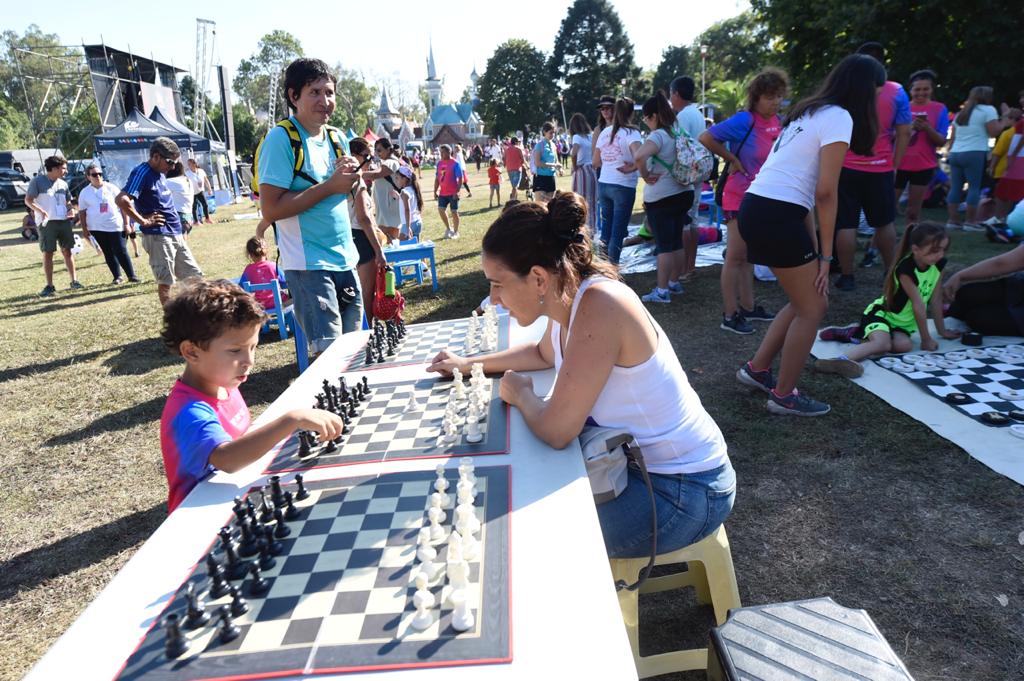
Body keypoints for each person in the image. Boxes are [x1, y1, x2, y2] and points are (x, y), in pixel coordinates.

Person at [427, 193, 734, 558]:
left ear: (538, 278)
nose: (493, 299)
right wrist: (468, 363)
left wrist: (522, 394)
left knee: (522, 540)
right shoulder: (571, 294)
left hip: (685, 491)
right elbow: (542, 353)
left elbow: (558, 430)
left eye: (497, 284)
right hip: (640, 469)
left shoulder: (600, 306)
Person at [735, 54, 883, 416]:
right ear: (865, 90)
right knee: (814, 307)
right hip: (776, 212)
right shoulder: (840, 117)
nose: (877, 102)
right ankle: (784, 395)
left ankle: (757, 370)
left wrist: (817, 251)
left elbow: (802, 190)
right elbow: (825, 192)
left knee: (803, 300)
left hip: (758, 206)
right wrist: (827, 257)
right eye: (877, 93)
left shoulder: (808, 112)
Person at [159, 279, 343, 513]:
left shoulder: (223, 384)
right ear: (191, 352)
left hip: (233, 497)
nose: (249, 361)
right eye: (235, 351)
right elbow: (227, 459)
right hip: (200, 515)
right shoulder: (190, 412)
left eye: (253, 347)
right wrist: (291, 420)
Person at [257, 57, 364, 354]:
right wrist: (330, 186)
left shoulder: (336, 137)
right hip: (309, 267)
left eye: (329, 93)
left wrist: (352, 179)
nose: (325, 101)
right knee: (330, 357)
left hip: (346, 259)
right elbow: (271, 210)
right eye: (315, 92)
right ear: (294, 96)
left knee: (353, 352)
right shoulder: (281, 139)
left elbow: (343, 193)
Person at [700, 68, 788, 333]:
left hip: (762, 196)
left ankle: (748, 307)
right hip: (738, 197)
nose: (775, 102)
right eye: (770, 97)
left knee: (749, 256)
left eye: (779, 96)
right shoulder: (744, 120)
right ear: (756, 97)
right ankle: (730, 315)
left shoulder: (778, 121)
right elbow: (706, 137)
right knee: (735, 257)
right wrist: (731, 159)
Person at [815, 223, 959, 377]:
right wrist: (926, 339)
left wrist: (942, 331)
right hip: (882, 315)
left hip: (901, 325)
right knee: (882, 344)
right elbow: (918, 305)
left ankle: (856, 333)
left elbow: (936, 299)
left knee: (904, 346)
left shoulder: (938, 264)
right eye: (935, 250)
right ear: (915, 249)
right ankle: (841, 360)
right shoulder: (906, 269)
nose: (940, 255)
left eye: (943, 249)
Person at [832, 43, 911, 292]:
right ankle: (890, 272)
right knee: (884, 222)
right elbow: (905, 132)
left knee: (846, 223)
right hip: (880, 166)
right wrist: (895, 165)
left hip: (845, 166)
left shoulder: (843, 89)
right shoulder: (896, 91)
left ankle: (847, 276)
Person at [117, 137, 204, 306]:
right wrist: (143, 221)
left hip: (175, 233)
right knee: (166, 283)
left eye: (175, 163)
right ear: (156, 156)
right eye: (170, 162)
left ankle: (196, 317)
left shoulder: (161, 173)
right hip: (159, 236)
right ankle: (173, 320)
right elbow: (121, 200)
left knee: (195, 278)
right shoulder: (142, 172)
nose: (172, 167)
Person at [633, 92, 692, 303]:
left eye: (646, 118)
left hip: (662, 197)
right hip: (683, 192)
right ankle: (674, 282)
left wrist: (644, 174)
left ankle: (661, 290)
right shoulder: (677, 132)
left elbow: (639, 156)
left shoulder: (658, 135)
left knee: (664, 246)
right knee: (676, 242)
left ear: (654, 116)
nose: (646, 122)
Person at [947, 86, 1014, 230]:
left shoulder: (962, 113)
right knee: (974, 187)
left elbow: (953, 136)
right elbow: (994, 132)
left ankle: (953, 220)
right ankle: (970, 222)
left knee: (956, 187)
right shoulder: (988, 110)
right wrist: (1004, 120)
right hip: (974, 152)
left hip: (956, 152)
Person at [893, 70, 949, 230]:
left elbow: (941, 141)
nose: (921, 93)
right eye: (917, 89)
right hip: (898, 164)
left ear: (932, 90)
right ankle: (880, 241)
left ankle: (910, 240)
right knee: (888, 208)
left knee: (913, 212)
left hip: (923, 165)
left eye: (926, 89)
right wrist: (909, 128)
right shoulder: (901, 107)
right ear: (910, 90)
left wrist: (927, 128)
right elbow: (889, 135)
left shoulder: (939, 108)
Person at [593, 97, 641, 265]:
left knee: (606, 230)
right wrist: (633, 167)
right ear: (631, 113)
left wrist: (610, 162)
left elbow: (595, 161)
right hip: (623, 184)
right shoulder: (632, 133)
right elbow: (640, 156)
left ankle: (602, 267)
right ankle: (612, 269)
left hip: (604, 183)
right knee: (617, 231)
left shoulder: (604, 132)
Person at [26, 154, 81, 296]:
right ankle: (49, 286)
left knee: (67, 251)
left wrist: (71, 210)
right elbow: (28, 200)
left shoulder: (63, 183)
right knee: (48, 253)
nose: (66, 171)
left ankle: (74, 281)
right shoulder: (37, 182)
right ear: (55, 168)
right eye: (64, 168)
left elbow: (68, 201)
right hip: (47, 223)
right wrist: (41, 211)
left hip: (63, 221)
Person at [346, 137, 389, 318]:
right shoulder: (358, 182)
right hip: (362, 238)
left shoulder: (340, 180)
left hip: (349, 237)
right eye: (367, 156)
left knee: (356, 293)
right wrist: (378, 250)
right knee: (366, 293)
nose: (370, 162)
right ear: (353, 155)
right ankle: (368, 329)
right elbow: (364, 218)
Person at [942, 241, 1024, 336]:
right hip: (1018, 289)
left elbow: (1001, 264)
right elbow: (1001, 263)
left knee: (977, 318)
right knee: (967, 294)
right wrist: (960, 276)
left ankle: (962, 315)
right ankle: (953, 315)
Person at [669, 76, 707, 280]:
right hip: (698, 171)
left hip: (687, 173)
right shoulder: (697, 113)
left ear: (676, 93)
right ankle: (690, 266)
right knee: (693, 220)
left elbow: (679, 147)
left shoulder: (683, 116)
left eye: (671, 94)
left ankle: (684, 268)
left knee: (685, 221)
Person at [77, 161, 139, 284]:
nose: (98, 176)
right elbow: (82, 212)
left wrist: (127, 224)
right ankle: (117, 276)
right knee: (108, 252)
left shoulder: (111, 188)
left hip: (115, 225)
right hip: (96, 227)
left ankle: (132, 276)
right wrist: (84, 229)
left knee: (120, 250)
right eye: (94, 174)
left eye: (100, 174)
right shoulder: (84, 192)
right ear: (88, 177)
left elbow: (124, 207)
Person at [988, 108, 1024, 226]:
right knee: (1011, 193)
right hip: (1018, 164)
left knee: (1003, 193)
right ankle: (1006, 217)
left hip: (1010, 165)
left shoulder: (1007, 133)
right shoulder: (1015, 131)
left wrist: (992, 166)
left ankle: (1000, 217)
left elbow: (997, 152)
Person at [363, 138, 402, 243]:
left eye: (379, 150)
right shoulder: (388, 162)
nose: (377, 153)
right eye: (376, 150)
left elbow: (377, 174)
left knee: (386, 238)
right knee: (391, 241)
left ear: (388, 149)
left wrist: (357, 174)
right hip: (387, 207)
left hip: (389, 208)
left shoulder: (391, 162)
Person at [239, 237, 289, 309]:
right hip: (280, 303)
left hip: (259, 307)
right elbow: (286, 283)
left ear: (250, 255)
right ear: (265, 251)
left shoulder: (248, 270)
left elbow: (241, 288)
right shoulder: (273, 266)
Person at [568, 112, 597, 232]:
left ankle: (583, 229)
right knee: (592, 201)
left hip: (582, 171)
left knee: (580, 201)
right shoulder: (591, 136)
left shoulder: (577, 137)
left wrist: (574, 166)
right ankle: (592, 228)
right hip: (592, 169)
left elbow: (573, 153)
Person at [434, 144, 462, 238]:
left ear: (449, 152)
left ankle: (456, 232)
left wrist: (457, 192)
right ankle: (449, 229)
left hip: (453, 193)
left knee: (454, 212)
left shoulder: (455, 163)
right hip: (442, 193)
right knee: (441, 209)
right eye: (440, 152)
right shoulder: (439, 164)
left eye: (443, 152)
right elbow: (437, 179)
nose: (441, 154)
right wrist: (435, 191)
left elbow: (460, 179)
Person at [532, 122, 560, 204]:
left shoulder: (553, 145)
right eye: (550, 133)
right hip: (540, 177)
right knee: (540, 206)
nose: (552, 135)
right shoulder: (539, 145)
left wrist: (559, 168)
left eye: (553, 133)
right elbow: (537, 163)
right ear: (544, 132)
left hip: (551, 177)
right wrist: (554, 165)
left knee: (550, 205)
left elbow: (556, 160)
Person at [165, 161, 194, 235]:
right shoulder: (187, 180)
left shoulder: (170, 181)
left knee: (177, 241)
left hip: (179, 215)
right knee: (183, 240)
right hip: (188, 215)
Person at [396, 166, 423, 241]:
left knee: (404, 247)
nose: (396, 181)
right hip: (417, 221)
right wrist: (398, 197)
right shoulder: (413, 189)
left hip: (408, 224)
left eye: (397, 178)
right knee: (415, 246)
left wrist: (408, 227)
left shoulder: (404, 192)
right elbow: (410, 202)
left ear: (404, 179)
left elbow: (407, 210)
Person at [186, 158, 213, 225]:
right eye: (188, 164)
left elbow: (206, 180)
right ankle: (196, 221)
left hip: (200, 191)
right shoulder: (187, 173)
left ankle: (207, 218)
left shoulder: (201, 171)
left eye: (190, 164)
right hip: (192, 193)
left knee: (205, 204)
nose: (188, 166)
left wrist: (209, 189)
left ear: (194, 164)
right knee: (194, 207)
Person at [504, 136, 526, 201]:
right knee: (515, 186)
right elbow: (523, 159)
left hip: (509, 169)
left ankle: (515, 199)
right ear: (516, 142)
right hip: (517, 169)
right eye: (518, 142)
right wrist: (523, 164)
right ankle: (512, 199)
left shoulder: (507, 149)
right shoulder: (518, 149)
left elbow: (504, 158)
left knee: (514, 186)